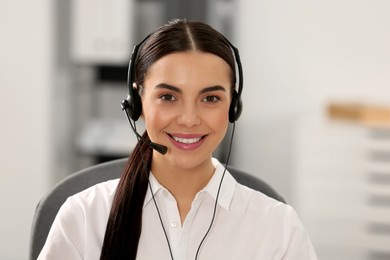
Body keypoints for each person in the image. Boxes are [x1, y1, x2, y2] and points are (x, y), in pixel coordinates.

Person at [38, 19, 318, 260]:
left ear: (233, 106)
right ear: (137, 103)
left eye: (210, 98)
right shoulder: (84, 218)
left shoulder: (277, 228)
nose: (189, 119)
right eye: (168, 97)